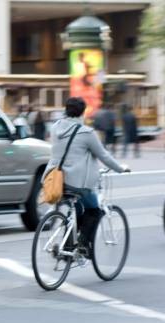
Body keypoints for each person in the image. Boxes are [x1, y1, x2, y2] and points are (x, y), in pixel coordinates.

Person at [43, 97, 130, 255]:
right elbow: (103, 156)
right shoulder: (86, 133)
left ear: (66, 110)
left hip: (54, 179)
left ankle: (68, 247)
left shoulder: (55, 128)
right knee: (94, 210)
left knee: (75, 210)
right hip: (75, 183)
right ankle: (82, 245)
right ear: (83, 112)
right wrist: (120, 168)